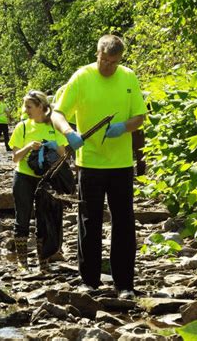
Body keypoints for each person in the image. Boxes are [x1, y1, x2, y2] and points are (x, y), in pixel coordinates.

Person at [51, 34, 146, 299]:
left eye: (113, 62)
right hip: (89, 162)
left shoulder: (128, 77)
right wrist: (69, 132)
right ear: (97, 54)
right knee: (89, 221)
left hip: (120, 164)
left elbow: (139, 117)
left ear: (120, 60)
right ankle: (89, 281)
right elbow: (57, 113)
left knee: (124, 222)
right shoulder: (81, 77)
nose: (108, 67)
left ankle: (124, 284)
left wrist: (123, 127)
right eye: (104, 60)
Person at [8, 90, 67, 272]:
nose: (25, 110)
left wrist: (51, 146)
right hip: (24, 177)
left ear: (41, 107)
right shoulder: (22, 127)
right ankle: (23, 263)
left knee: (44, 220)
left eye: (29, 106)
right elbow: (15, 158)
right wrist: (28, 146)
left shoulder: (53, 127)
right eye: (25, 106)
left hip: (45, 179)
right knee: (22, 218)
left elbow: (63, 154)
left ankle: (43, 262)